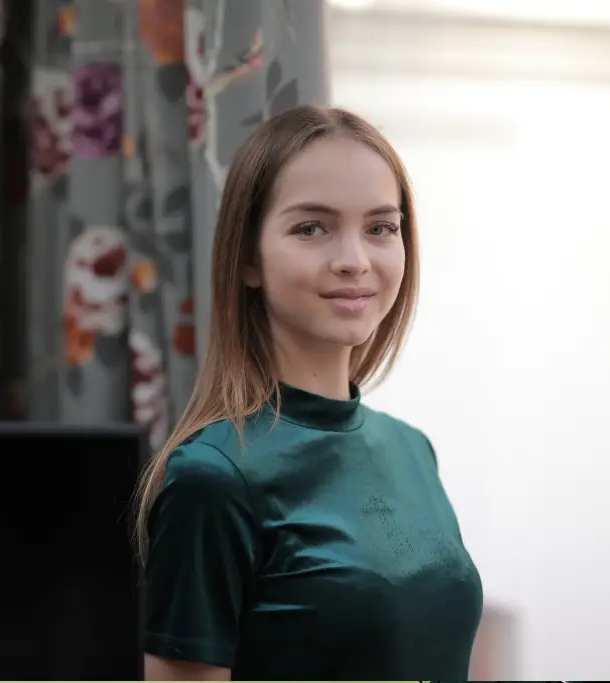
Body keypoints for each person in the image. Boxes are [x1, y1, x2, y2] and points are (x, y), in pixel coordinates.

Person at [134, 105, 483, 681]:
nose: (354, 261)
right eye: (311, 228)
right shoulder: (211, 479)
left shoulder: (414, 451)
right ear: (248, 259)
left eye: (380, 227)